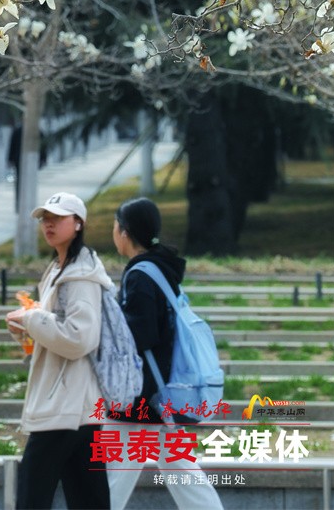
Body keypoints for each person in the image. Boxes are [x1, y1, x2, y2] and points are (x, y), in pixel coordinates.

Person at [109, 197, 223, 510]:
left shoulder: (140, 275)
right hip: (162, 390)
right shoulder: (161, 269)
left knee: (111, 478)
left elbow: (141, 334)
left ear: (125, 232)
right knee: (183, 473)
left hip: (141, 393)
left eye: (116, 225)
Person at [5, 191, 112, 510]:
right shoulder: (60, 268)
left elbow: (79, 337)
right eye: (45, 219)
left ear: (78, 223)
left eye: (57, 218)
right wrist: (27, 326)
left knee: (32, 496)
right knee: (88, 499)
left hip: (65, 404)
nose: (48, 224)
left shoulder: (80, 276)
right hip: (76, 404)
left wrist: (31, 318)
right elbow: (58, 329)